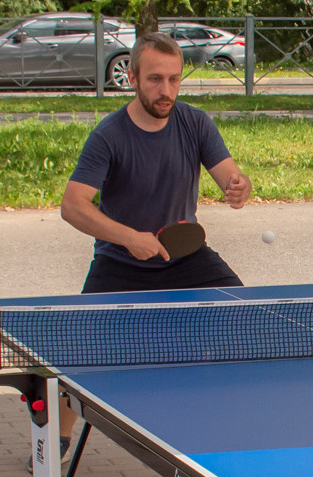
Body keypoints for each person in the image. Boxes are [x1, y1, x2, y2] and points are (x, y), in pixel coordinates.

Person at [62, 32, 253, 292]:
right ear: (133, 78)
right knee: (88, 332)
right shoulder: (108, 135)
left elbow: (232, 177)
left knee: (242, 315)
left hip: (186, 258)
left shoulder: (196, 123)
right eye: (155, 79)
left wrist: (240, 188)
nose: (165, 90)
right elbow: (72, 206)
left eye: (173, 79)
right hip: (120, 264)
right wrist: (129, 238)